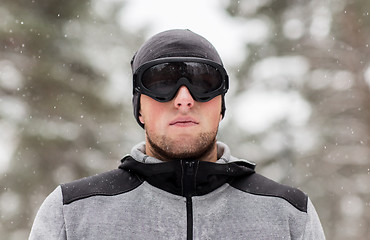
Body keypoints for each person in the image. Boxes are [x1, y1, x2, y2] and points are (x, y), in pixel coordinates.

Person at [29, 29, 325, 239]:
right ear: (139, 109)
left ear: (221, 106)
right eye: (161, 82)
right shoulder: (73, 212)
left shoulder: (288, 214)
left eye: (203, 81)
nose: (184, 99)